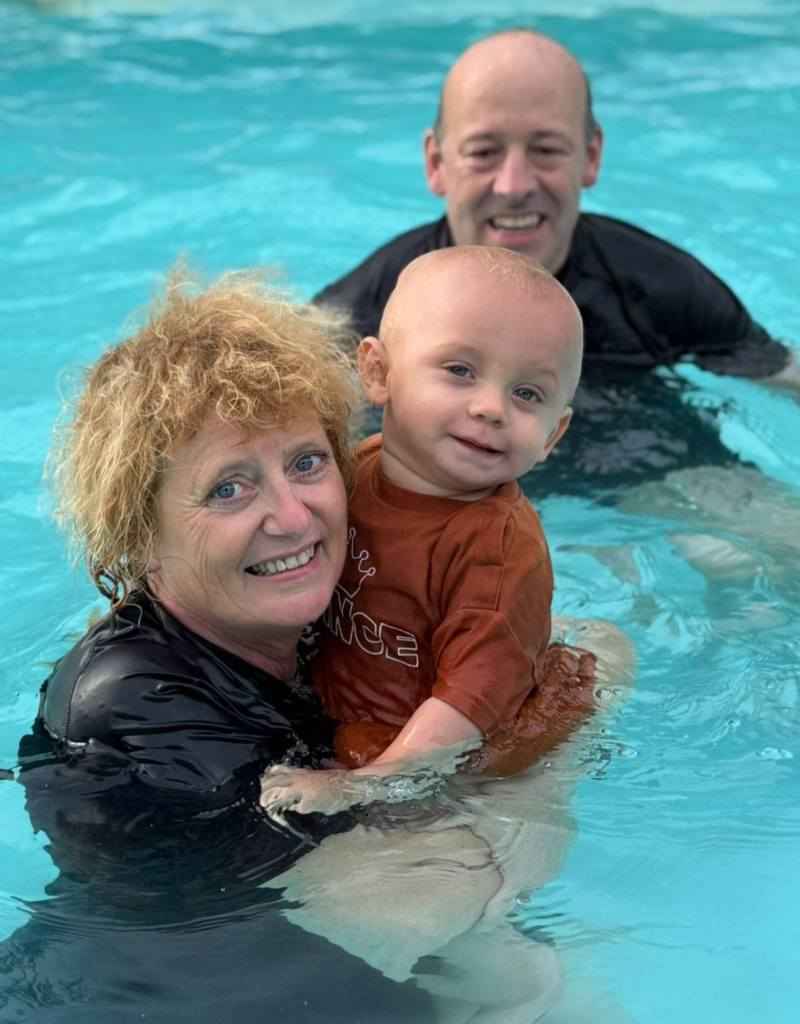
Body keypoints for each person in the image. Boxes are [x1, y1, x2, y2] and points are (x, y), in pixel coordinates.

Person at [2, 269, 616, 1024]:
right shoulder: (136, 708)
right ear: (143, 533)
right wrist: (541, 754)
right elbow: (372, 891)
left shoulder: (304, 612)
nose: (293, 519)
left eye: (306, 463)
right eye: (229, 488)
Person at [314, 28, 799, 496]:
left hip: (646, 474)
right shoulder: (365, 309)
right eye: (484, 152)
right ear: (436, 163)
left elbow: (783, 374)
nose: (514, 185)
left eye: (546, 150)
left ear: (591, 156)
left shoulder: (661, 289)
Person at [261, 246, 613, 819]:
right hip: (362, 701)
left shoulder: (498, 553)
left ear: (553, 436)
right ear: (378, 373)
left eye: (527, 394)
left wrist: (359, 786)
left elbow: (466, 711)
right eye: (460, 370)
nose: (491, 407)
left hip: (454, 750)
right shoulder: (356, 470)